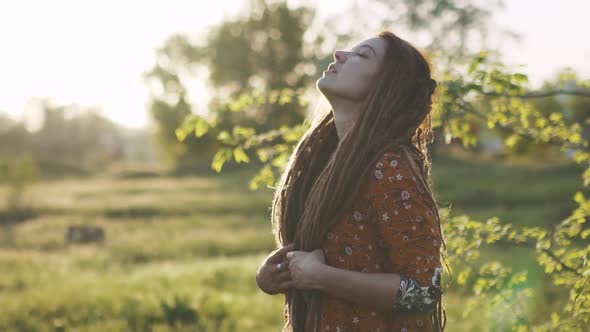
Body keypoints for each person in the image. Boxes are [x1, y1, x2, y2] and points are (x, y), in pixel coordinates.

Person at [256, 30, 448, 332]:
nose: (339, 55)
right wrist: (273, 274)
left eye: (362, 55)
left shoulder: (390, 167)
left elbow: (423, 293)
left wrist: (320, 277)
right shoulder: (323, 162)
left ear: (386, 86)